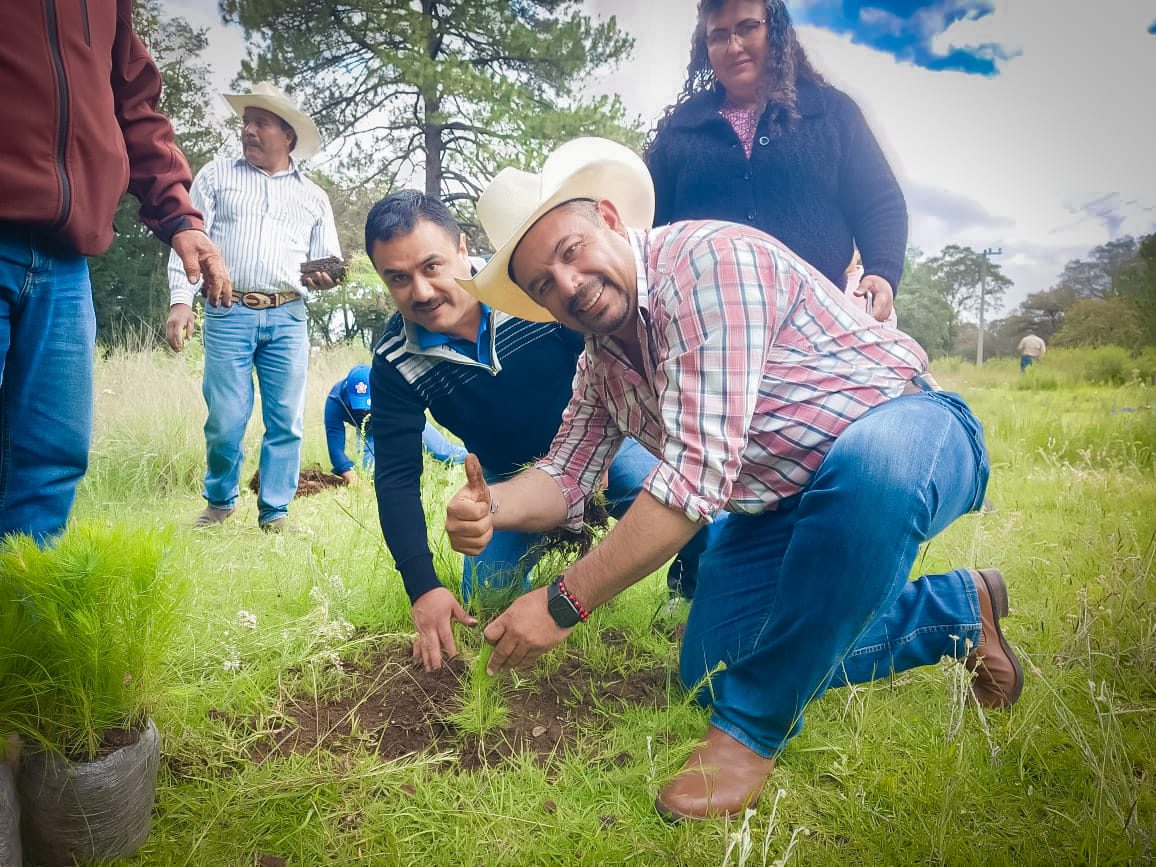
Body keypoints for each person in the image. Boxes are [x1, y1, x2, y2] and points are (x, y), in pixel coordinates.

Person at [445, 138, 1023, 822]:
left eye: (570, 252)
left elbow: (692, 481)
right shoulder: (601, 361)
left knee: (872, 471)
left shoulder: (708, 264)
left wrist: (564, 601)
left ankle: (751, 728)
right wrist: (494, 506)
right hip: (777, 502)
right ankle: (956, 613)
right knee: (710, 664)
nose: (567, 285)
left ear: (607, 217)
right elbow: (566, 474)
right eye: (544, 283)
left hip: (907, 426)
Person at [365, 190, 711, 672]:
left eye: (432, 266)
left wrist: (600, 459)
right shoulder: (394, 360)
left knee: (693, 515)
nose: (421, 292)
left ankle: (687, 589)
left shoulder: (532, 287)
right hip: (508, 480)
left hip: (608, 450)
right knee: (486, 593)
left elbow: (603, 360)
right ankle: (552, 547)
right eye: (398, 279)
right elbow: (396, 477)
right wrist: (423, 586)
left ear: (463, 248)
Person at [0, 0, 232, 544]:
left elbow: (132, 101)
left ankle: (21, 622)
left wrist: (179, 214)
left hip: (65, 259)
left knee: (51, 465)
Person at [645, 0, 907, 323]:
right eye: (718, 36)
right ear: (705, 47)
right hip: (708, 328)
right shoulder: (680, 130)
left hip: (821, 322)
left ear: (776, 31)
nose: (734, 46)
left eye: (748, 28)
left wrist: (882, 271)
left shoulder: (831, 112)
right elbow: (644, 221)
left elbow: (879, 202)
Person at [166, 83, 342, 533]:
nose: (248, 129)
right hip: (228, 309)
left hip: (288, 316)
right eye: (246, 121)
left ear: (287, 135)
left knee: (286, 420)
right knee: (226, 419)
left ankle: (275, 513)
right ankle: (220, 501)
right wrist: (181, 301)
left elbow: (326, 267)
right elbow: (189, 241)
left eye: (260, 122)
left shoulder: (313, 197)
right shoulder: (216, 176)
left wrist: (322, 281)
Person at [325, 364, 466, 482]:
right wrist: (354, 480)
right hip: (368, 432)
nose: (366, 412)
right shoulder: (335, 401)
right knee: (372, 474)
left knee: (442, 452)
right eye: (361, 407)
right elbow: (336, 450)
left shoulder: (387, 387)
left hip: (401, 416)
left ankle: (480, 457)